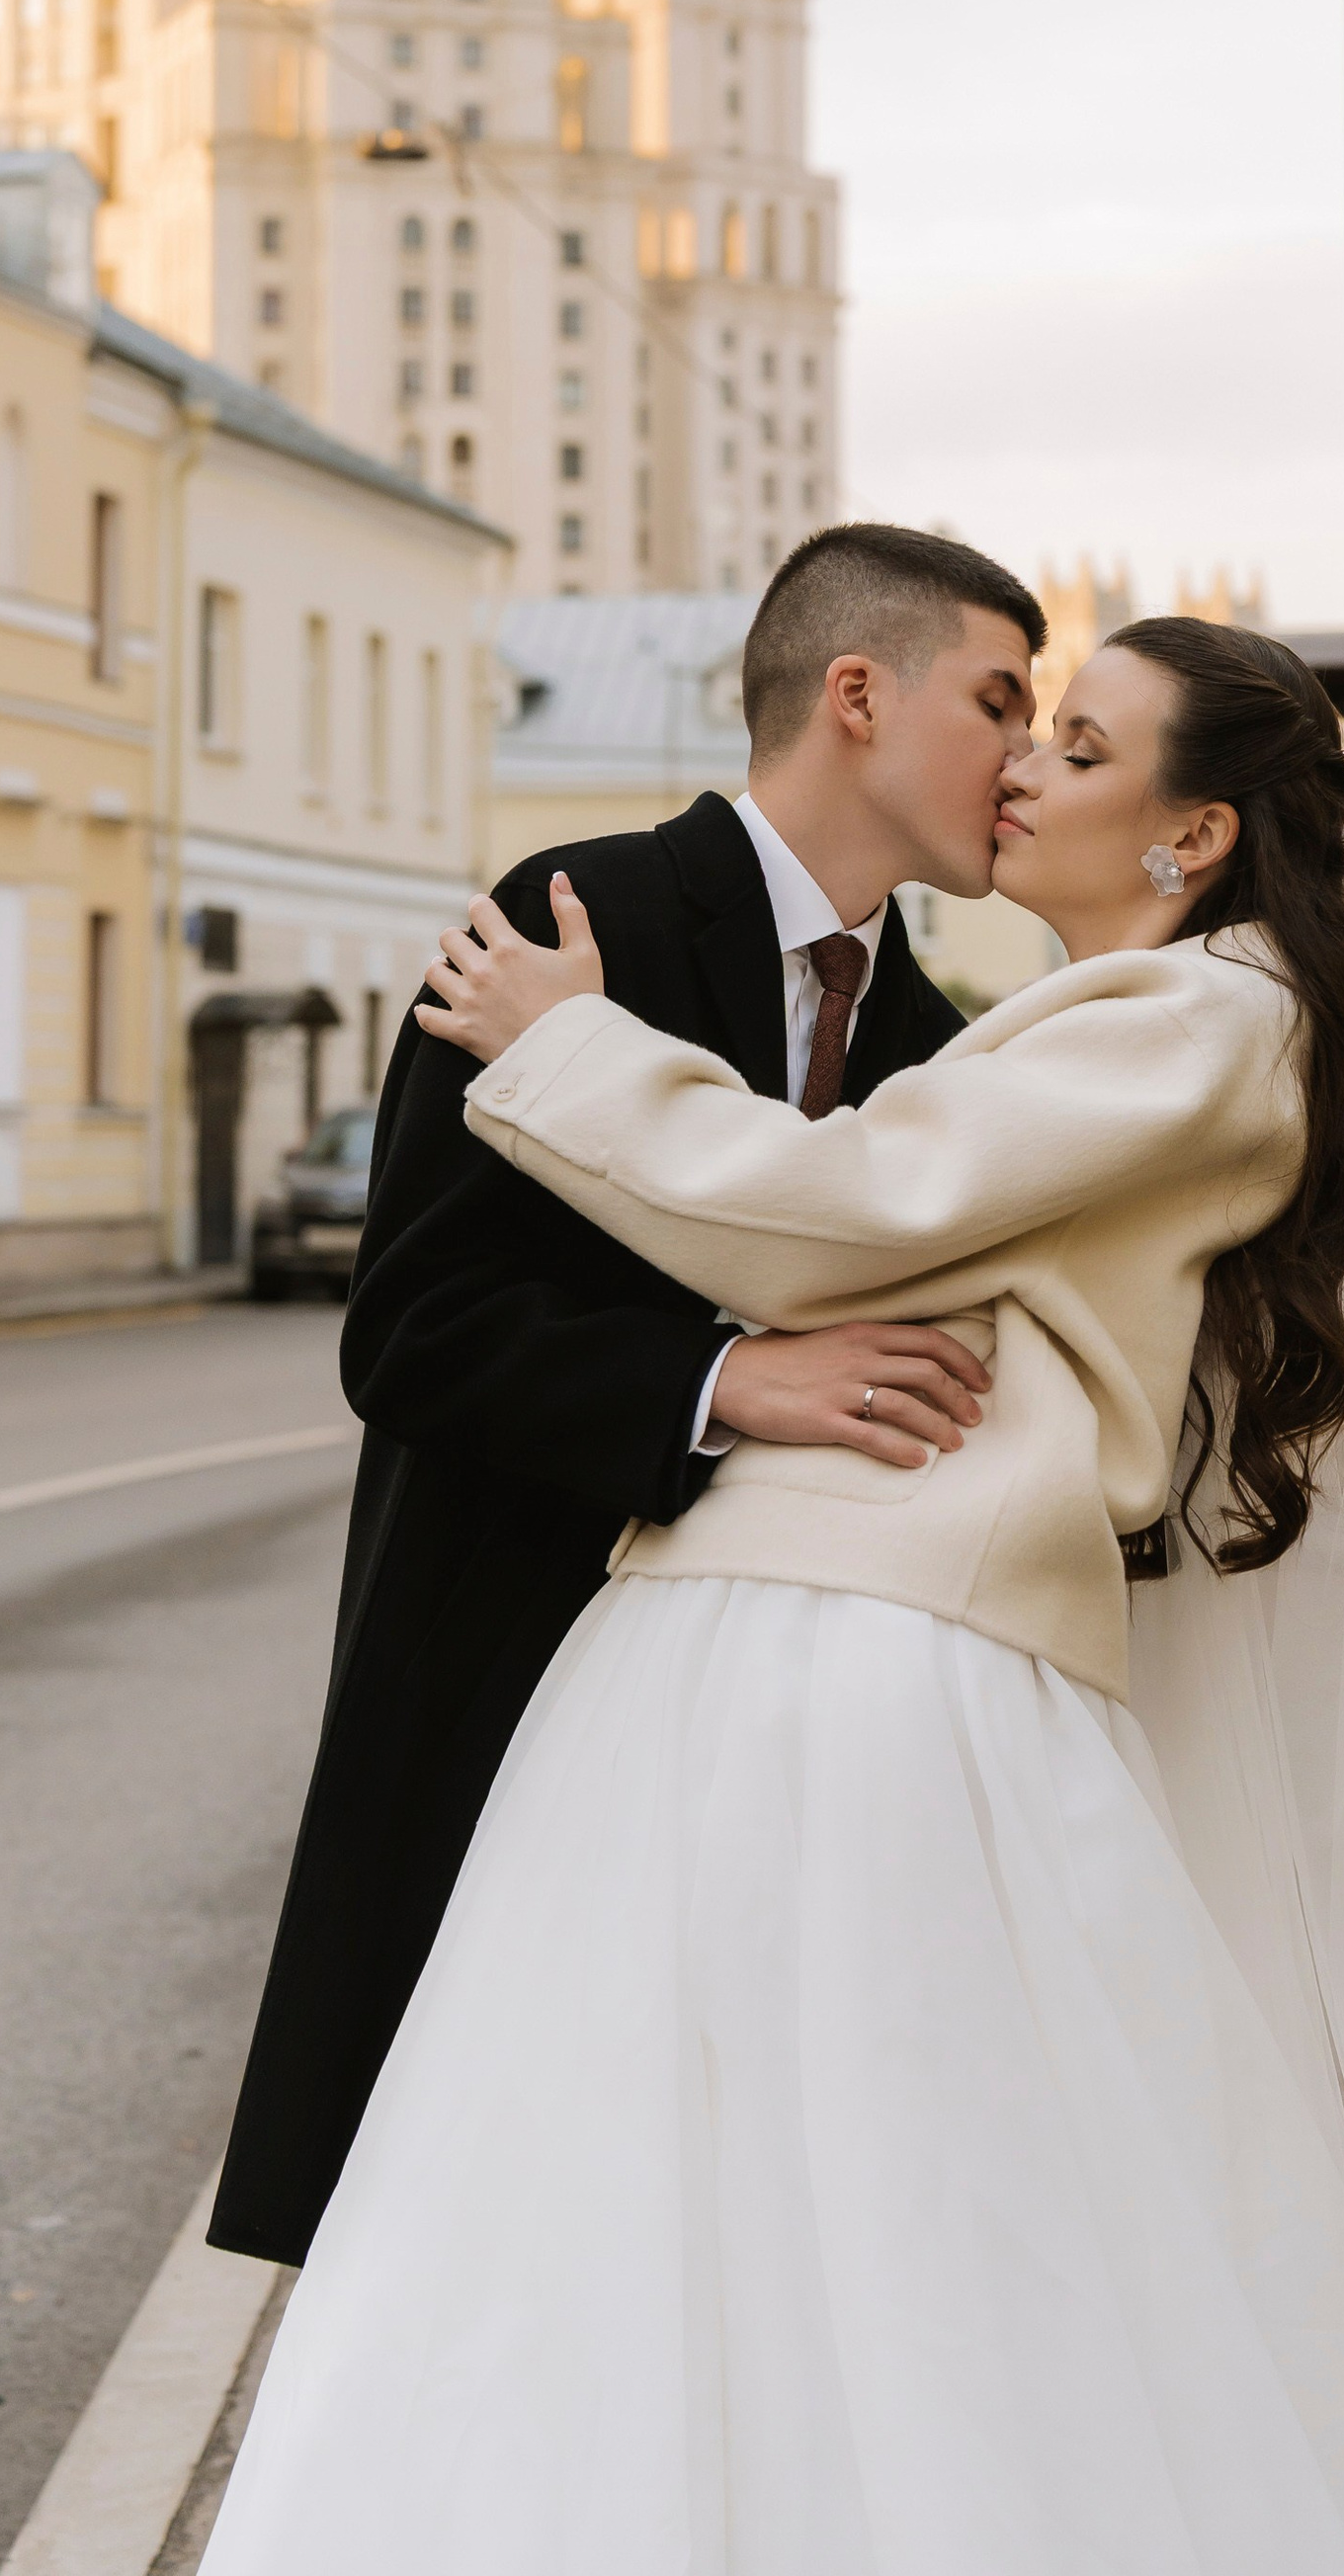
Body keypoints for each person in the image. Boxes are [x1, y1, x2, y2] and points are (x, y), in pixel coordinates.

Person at [205, 619, 1344, 2576]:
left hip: (869, 1625)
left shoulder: (1190, 1024)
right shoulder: (1131, 1010)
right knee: (782, 2198)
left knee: (836, 2196)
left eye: (1068, 743)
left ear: (1185, 836)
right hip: (815, 1611)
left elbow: (853, 1210)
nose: (1021, 769)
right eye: (1012, 715)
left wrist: (564, 1046)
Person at [209, 523, 1046, 2270]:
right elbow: (413, 1334)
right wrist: (732, 1380)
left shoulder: (940, 1049)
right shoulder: (568, 921)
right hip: (508, 1681)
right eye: (998, 701)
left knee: (720, 2226)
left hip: (780, 1741)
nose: (1025, 758)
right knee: (478, 2217)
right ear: (856, 696)